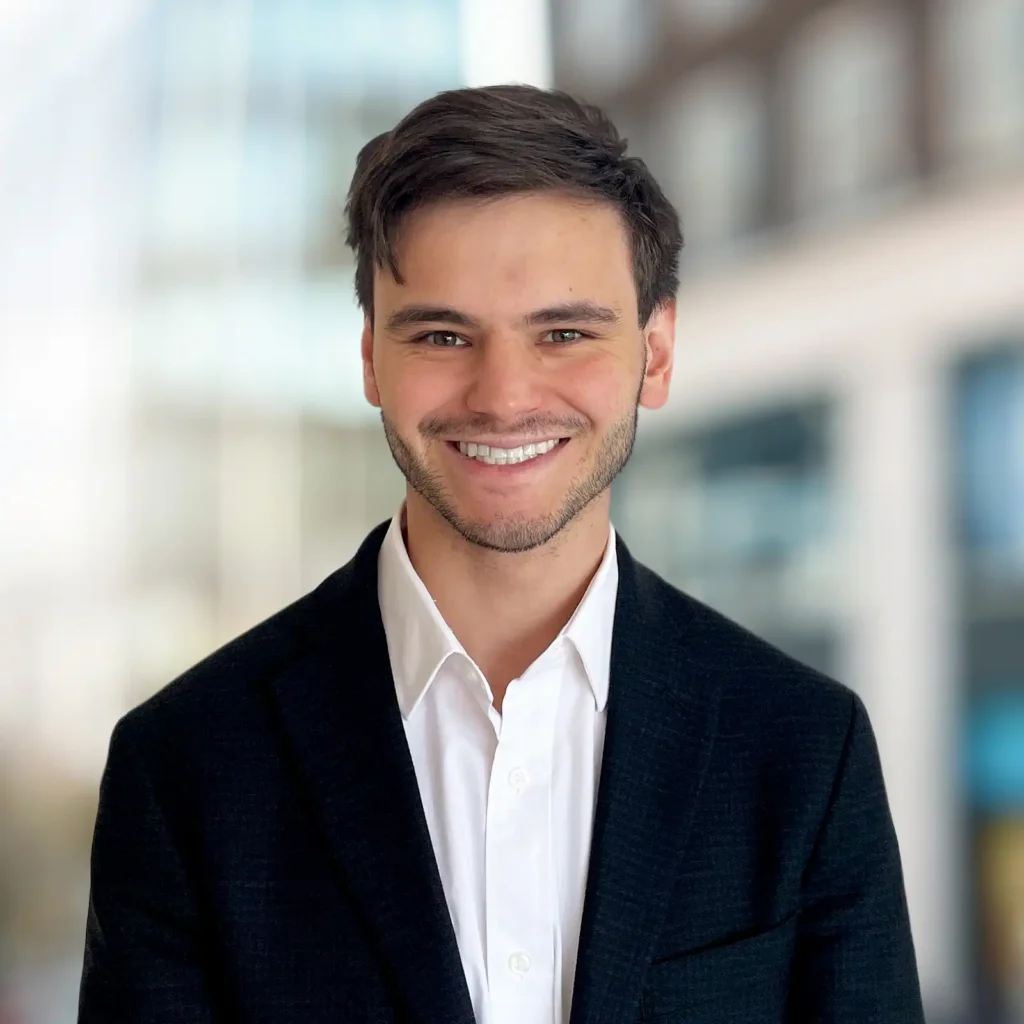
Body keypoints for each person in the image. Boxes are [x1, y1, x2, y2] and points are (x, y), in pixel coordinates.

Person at [78, 85, 925, 1024]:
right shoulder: (188, 767)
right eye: (443, 335)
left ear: (658, 351)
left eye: (565, 333)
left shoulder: (804, 750)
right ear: (370, 359)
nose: (504, 394)